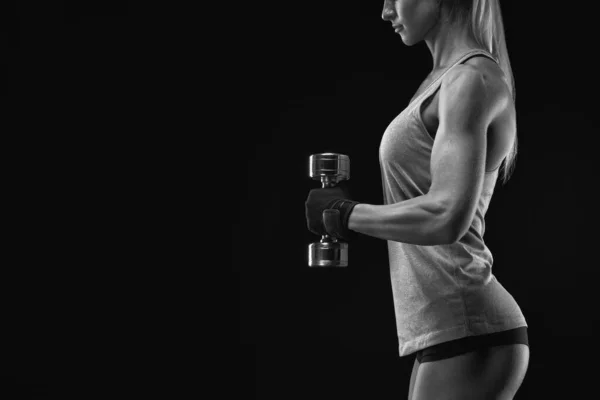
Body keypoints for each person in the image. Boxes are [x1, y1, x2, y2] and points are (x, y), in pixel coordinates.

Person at [304, 1, 529, 399]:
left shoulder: (472, 79)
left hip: (470, 327)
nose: (386, 11)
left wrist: (345, 214)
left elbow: (446, 215)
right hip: (445, 329)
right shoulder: (443, 81)